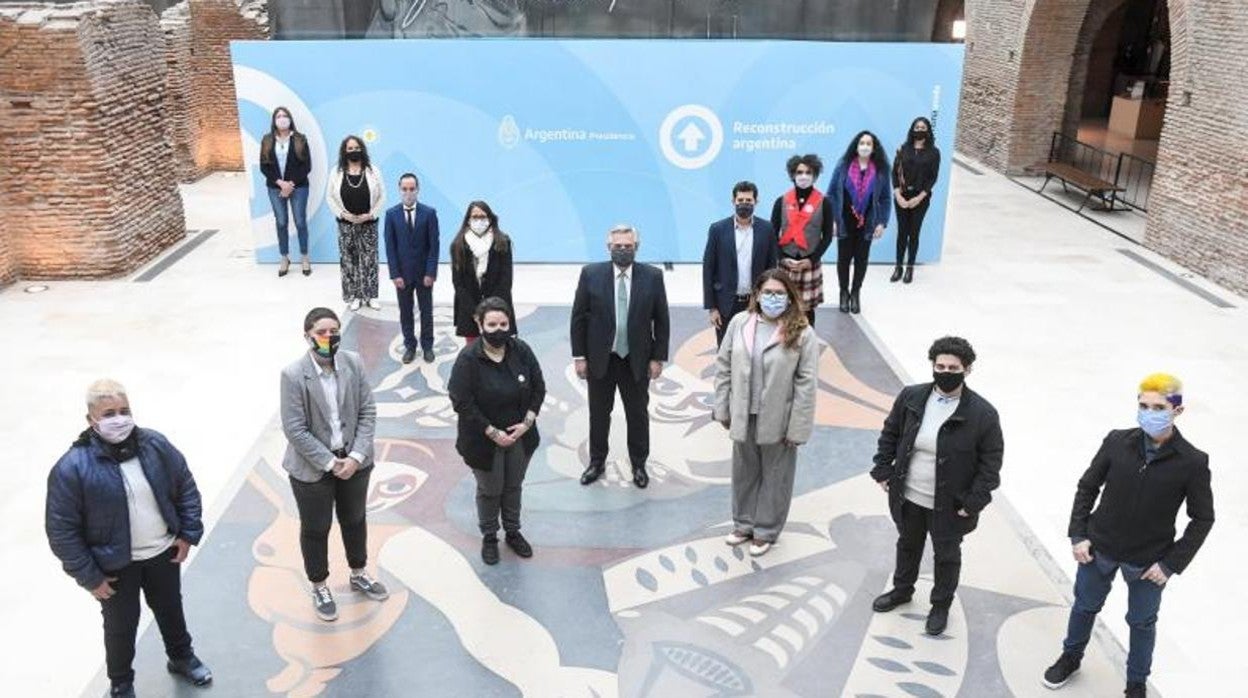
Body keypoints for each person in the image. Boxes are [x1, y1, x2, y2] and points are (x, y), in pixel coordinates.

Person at [1042, 374, 1214, 698]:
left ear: (1178, 410)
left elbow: (1203, 518)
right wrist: (1079, 533)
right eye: (1144, 405)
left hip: (1148, 561)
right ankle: (1071, 657)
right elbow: (1087, 486)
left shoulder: (1192, 462)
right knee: (1084, 606)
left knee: (1142, 623)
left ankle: (1136, 683)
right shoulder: (1117, 441)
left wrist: (1170, 564)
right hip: (1099, 548)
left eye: (1159, 407)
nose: (1149, 412)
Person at [45, 380, 212, 698]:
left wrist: (188, 534)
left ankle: (181, 657)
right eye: (109, 413)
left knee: (170, 608)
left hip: (163, 552)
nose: (118, 419)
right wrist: (89, 576)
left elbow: (185, 486)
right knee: (121, 626)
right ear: (91, 420)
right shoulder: (72, 468)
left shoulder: (155, 445)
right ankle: (121, 682)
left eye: (124, 411)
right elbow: (62, 530)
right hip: (115, 566)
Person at [869, 336, 1003, 636]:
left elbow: (991, 464)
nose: (945, 371)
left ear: (966, 370)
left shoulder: (983, 414)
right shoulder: (912, 397)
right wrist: (882, 469)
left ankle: (940, 605)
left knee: (946, 555)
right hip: (910, 495)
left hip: (951, 504)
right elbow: (891, 433)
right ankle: (902, 590)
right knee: (908, 544)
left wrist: (973, 502)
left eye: (953, 367)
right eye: (939, 365)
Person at [279, 307, 389, 622]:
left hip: (354, 461)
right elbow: (295, 428)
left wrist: (354, 457)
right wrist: (330, 462)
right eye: (322, 332)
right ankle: (320, 585)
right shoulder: (293, 375)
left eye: (334, 331)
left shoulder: (353, 363)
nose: (329, 337)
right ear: (307, 336)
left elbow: (368, 410)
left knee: (355, 519)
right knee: (316, 528)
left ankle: (358, 572)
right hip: (313, 468)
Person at [713, 269, 819, 557]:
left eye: (779, 293)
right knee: (744, 470)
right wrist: (721, 406)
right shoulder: (739, 323)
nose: (773, 298)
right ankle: (744, 523)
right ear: (756, 295)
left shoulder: (802, 331)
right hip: (743, 412)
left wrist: (798, 427)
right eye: (768, 293)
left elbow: (806, 384)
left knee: (776, 474)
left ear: (789, 297)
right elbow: (723, 366)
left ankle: (766, 529)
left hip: (779, 417)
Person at [571, 224, 671, 489]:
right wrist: (579, 357)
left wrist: (657, 358)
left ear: (636, 248)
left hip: (637, 360)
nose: (623, 251)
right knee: (599, 413)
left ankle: (639, 464)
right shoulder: (591, 274)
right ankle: (596, 462)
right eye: (618, 247)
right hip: (601, 358)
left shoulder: (652, 276)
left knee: (637, 414)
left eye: (628, 246)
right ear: (609, 248)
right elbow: (578, 318)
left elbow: (661, 320)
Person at [448, 297, 546, 565]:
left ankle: (513, 532)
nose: (499, 329)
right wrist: (492, 432)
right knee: (490, 489)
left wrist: (526, 422)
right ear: (480, 325)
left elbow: (539, 387)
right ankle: (490, 536)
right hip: (482, 440)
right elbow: (461, 401)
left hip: (520, 437)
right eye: (492, 324)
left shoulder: (521, 350)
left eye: (504, 323)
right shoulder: (468, 359)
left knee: (513, 486)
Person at [703, 181, 778, 346]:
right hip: (725, 304)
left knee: (755, 349)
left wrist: (768, 302)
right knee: (726, 351)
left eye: (749, 201)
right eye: (741, 200)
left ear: (756, 202)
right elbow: (708, 269)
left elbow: (772, 268)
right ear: (733, 201)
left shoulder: (767, 229)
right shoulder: (717, 229)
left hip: (755, 303)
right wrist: (712, 307)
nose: (744, 204)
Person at [827, 130, 892, 315]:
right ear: (856, 146)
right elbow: (831, 194)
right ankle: (843, 292)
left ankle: (855, 293)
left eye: (868, 144)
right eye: (861, 143)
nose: (864, 146)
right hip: (844, 220)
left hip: (868, 221)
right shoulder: (843, 165)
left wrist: (882, 222)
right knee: (844, 259)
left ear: (873, 148)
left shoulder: (881, 169)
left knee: (861, 259)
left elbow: (886, 198)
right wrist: (832, 219)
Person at [770, 154, 835, 327]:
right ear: (793, 174)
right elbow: (772, 234)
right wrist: (782, 258)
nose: (803, 176)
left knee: (807, 311)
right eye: (799, 172)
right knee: (781, 307)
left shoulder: (824, 203)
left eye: (808, 172)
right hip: (785, 263)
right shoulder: (781, 201)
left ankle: (807, 346)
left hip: (809, 264)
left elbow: (827, 236)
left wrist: (811, 260)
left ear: (815, 175)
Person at [382, 173, 439, 363]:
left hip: (424, 275)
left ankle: (428, 346)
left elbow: (434, 246)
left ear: (418, 189)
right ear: (399, 190)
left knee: (426, 311)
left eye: (412, 189)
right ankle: (410, 346)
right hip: (403, 276)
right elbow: (390, 247)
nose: (408, 193)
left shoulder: (429, 213)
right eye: (404, 189)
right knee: (405, 312)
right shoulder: (391, 215)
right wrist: (395, 274)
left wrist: (431, 272)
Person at [326, 135, 385, 311]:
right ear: (344, 151)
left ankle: (371, 295)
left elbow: (382, 195)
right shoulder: (336, 172)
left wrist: (371, 214)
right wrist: (343, 214)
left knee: (369, 260)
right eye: (350, 148)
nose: (353, 151)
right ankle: (354, 296)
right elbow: (329, 197)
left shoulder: (373, 170)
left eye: (356, 147)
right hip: (346, 224)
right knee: (350, 261)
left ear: (362, 149)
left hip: (368, 224)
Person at [450, 200, 515, 345]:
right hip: (470, 310)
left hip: (498, 310)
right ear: (468, 220)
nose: (479, 220)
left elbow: (506, 279)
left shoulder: (502, 242)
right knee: (473, 353)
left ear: (490, 219)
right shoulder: (458, 245)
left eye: (483, 216)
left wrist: (493, 309)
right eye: (475, 217)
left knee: (499, 350)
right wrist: (476, 313)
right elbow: (458, 283)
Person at [258, 106, 313, 277]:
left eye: (285, 116)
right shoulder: (267, 140)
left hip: (299, 186)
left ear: (290, 119)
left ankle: (304, 257)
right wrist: (281, 183)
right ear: (274, 120)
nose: (282, 118)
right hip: (275, 188)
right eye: (278, 116)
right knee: (281, 222)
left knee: (300, 222)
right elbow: (264, 166)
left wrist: (291, 184)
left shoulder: (300, 139)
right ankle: (284, 257)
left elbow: (307, 166)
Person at [891, 117, 940, 284]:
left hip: (921, 198)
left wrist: (919, 198)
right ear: (912, 129)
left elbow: (933, 178)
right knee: (902, 233)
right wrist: (898, 195)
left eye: (923, 127)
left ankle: (909, 267)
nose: (919, 129)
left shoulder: (934, 152)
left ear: (927, 131)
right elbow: (895, 173)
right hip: (902, 197)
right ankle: (898, 267)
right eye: (917, 126)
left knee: (914, 233)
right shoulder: (902, 149)